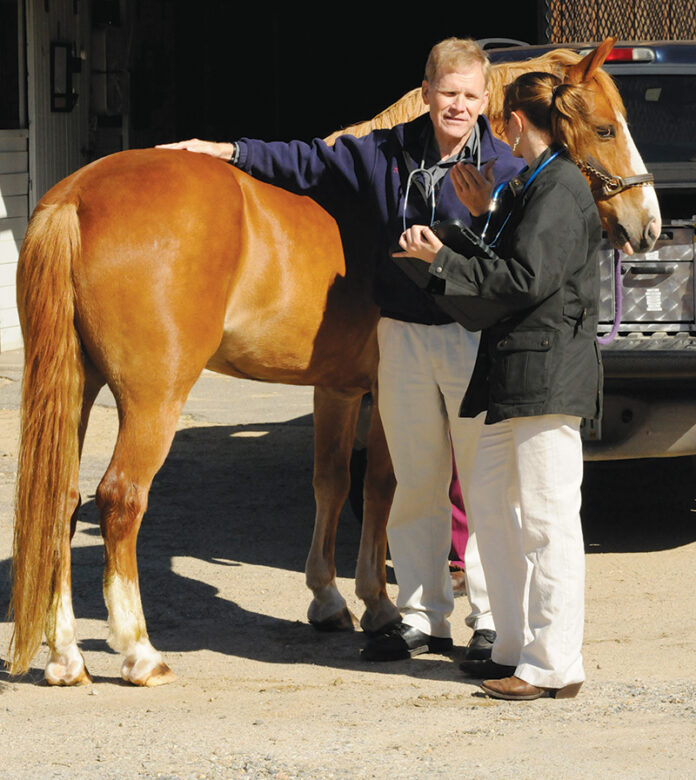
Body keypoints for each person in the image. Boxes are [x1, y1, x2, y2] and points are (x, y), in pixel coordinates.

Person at [159, 37, 524, 662]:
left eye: (469, 95)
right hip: (400, 333)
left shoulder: (506, 169)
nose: (457, 106)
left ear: (485, 99)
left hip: (470, 336)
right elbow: (307, 161)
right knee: (413, 480)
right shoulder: (388, 151)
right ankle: (421, 614)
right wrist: (227, 150)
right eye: (447, 93)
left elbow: (520, 257)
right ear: (427, 91)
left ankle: (490, 618)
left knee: (481, 482)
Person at [396, 69, 602, 700]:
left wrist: (442, 261)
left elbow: (524, 279)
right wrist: (474, 221)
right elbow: (507, 262)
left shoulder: (561, 187)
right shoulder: (530, 185)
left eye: (498, 119)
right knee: (496, 510)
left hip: (546, 374)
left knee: (546, 521)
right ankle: (514, 647)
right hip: (515, 372)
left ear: (514, 123)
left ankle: (554, 664)